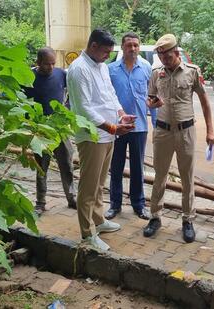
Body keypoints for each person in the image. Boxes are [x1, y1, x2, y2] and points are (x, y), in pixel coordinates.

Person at [142, 34, 214, 243]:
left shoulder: (192, 72)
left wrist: (211, 131)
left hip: (186, 132)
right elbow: (150, 98)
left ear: (176, 52)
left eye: (167, 55)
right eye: (161, 56)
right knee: (160, 176)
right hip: (162, 132)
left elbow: (205, 102)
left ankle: (187, 220)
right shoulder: (156, 74)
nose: (164, 60)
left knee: (187, 177)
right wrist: (152, 104)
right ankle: (155, 217)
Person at [67, 29, 135, 252]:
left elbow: (109, 95)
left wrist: (121, 114)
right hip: (91, 136)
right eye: (105, 51)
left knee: (99, 183)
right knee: (87, 187)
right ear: (93, 46)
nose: (108, 56)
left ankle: (99, 220)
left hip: (108, 134)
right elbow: (84, 108)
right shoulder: (78, 69)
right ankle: (87, 234)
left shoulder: (102, 66)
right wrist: (113, 127)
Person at [106, 32, 156, 221]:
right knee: (116, 166)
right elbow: (107, 98)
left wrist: (155, 122)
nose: (133, 49)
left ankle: (139, 204)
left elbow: (152, 97)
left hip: (139, 127)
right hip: (117, 127)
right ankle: (115, 205)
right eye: (129, 45)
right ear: (122, 47)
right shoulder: (110, 70)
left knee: (137, 167)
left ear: (139, 46)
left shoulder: (146, 68)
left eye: (136, 45)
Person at [23, 47, 77, 216]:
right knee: (41, 167)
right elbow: (20, 101)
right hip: (40, 130)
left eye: (53, 63)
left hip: (59, 128)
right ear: (38, 62)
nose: (51, 67)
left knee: (66, 164)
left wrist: (66, 108)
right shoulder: (28, 77)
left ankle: (71, 197)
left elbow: (73, 93)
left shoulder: (61, 74)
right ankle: (40, 202)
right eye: (47, 64)